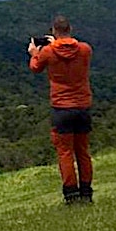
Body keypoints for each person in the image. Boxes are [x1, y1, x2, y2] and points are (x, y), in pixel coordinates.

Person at [28, 15, 93, 205]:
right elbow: (71, 54)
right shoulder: (85, 49)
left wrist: (34, 53)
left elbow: (35, 68)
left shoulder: (48, 52)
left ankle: (71, 195)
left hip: (61, 107)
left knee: (65, 152)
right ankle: (87, 193)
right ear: (70, 29)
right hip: (82, 106)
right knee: (83, 151)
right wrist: (57, 42)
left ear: (53, 30)